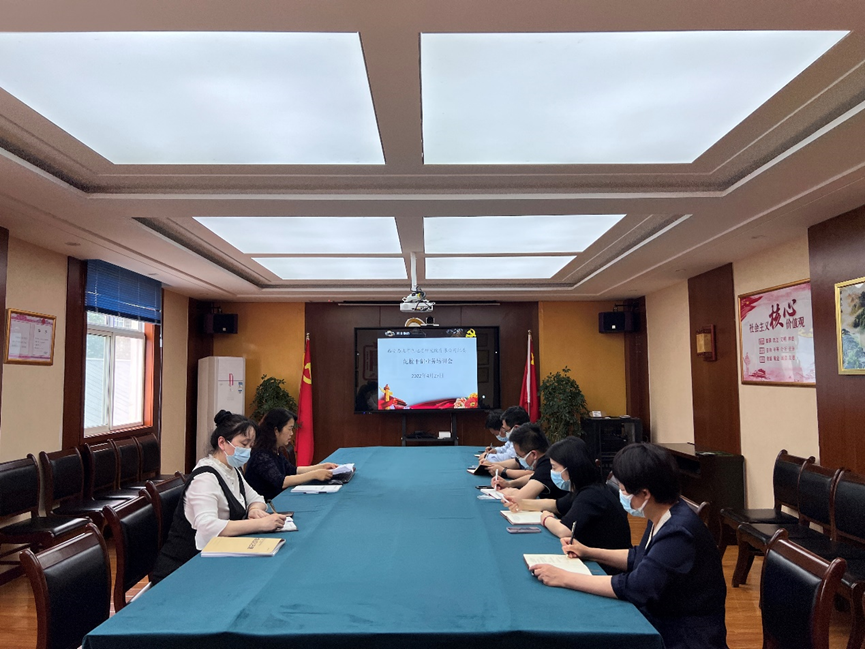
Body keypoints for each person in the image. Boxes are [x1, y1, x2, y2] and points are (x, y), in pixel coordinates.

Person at [529, 443, 727, 649]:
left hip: (683, 635)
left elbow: (636, 586)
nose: (621, 494)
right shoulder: (662, 512)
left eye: (623, 489)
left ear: (645, 494)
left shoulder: (678, 532)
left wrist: (564, 578)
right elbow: (640, 556)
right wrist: (588, 551)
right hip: (662, 616)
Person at [151, 410, 286, 585]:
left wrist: (253, 510)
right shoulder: (205, 478)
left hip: (216, 558)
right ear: (222, 442)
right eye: (244, 444)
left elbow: (257, 498)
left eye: (251, 445)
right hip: (184, 569)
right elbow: (208, 527)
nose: (248, 451)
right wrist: (260, 524)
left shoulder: (232, 469)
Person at [505, 437, 630, 568]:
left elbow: (564, 530)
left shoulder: (591, 495)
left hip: (606, 567)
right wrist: (521, 503)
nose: (552, 472)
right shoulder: (584, 488)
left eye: (554, 467)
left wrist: (546, 518)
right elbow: (555, 505)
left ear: (570, 468)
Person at [244, 408, 339, 501]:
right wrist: (314, 474)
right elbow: (281, 482)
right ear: (276, 430)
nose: (292, 433)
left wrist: (321, 466)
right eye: (289, 429)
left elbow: (292, 470)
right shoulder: (261, 455)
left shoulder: (275, 449)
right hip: (264, 504)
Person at [490, 423, 568, 501]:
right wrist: (510, 484)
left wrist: (509, 491)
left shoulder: (547, 466)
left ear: (533, 454)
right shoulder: (547, 456)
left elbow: (520, 498)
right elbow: (533, 477)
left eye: (519, 456)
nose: (518, 459)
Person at [481, 406, 532, 479]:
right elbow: (516, 462)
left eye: (505, 430)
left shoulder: (529, 442)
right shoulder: (519, 439)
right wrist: (492, 464)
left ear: (516, 428)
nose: (504, 432)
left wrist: (503, 471)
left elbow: (532, 474)